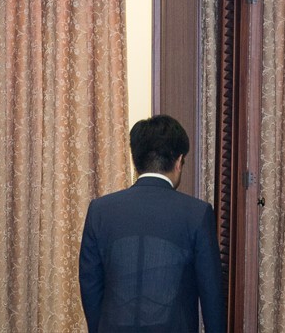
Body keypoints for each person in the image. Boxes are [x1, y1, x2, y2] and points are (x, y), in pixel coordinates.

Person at [79, 115, 225, 333]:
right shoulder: (197, 213)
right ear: (179, 161)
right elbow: (211, 294)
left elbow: (90, 285)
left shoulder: (100, 210)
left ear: (136, 160)